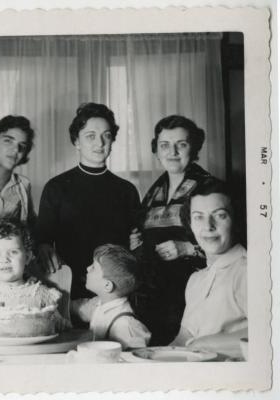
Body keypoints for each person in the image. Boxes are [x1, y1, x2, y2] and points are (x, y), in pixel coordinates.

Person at [37, 103, 141, 300]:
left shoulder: (127, 190)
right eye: (90, 136)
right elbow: (43, 243)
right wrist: (43, 246)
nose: (100, 143)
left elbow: (136, 246)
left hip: (116, 293)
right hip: (68, 290)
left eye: (106, 135)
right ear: (76, 141)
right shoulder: (56, 187)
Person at [134, 115, 212, 345]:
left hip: (193, 295)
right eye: (165, 145)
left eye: (182, 144)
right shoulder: (153, 191)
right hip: (153, 295)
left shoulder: (210, 187)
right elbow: (143, 234)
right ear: (156, 150)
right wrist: (136, 242)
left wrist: (187, 248)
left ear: (194, 148)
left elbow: (236, 246)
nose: (173, 152)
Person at [171, 178, 247, 357]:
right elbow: (183, 339)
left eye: (220, 215)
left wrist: (203, 344)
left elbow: (269, 330)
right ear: (190, 223)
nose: (208, 226)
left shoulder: (247, 271)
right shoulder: (196, 279)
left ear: (236, 220)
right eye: (198, 217)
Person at [0, 219, 70, 331]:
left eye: (13, 252)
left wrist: (60, 323)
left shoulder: (41, 294)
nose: (5, 259)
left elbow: (59, 324)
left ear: (27, 257)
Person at [71, 244, 151, 350]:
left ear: (107, 285)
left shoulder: (124, 324)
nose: (88, 268)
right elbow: (79, 308)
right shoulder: (100, 304)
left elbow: (135, 357)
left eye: (93, 267)